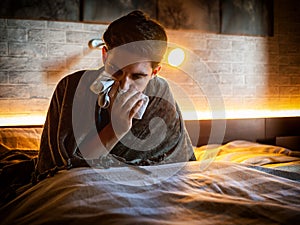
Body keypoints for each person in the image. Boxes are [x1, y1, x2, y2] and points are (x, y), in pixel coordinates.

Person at [35, 10, 195, 181]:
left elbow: (175, 162)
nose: (124, 85)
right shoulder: (71, 87)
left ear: (155, 72)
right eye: (116, 70)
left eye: (137, 76)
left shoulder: (160, 95)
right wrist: (115, 129)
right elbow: (58, 168)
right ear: (105, 55)